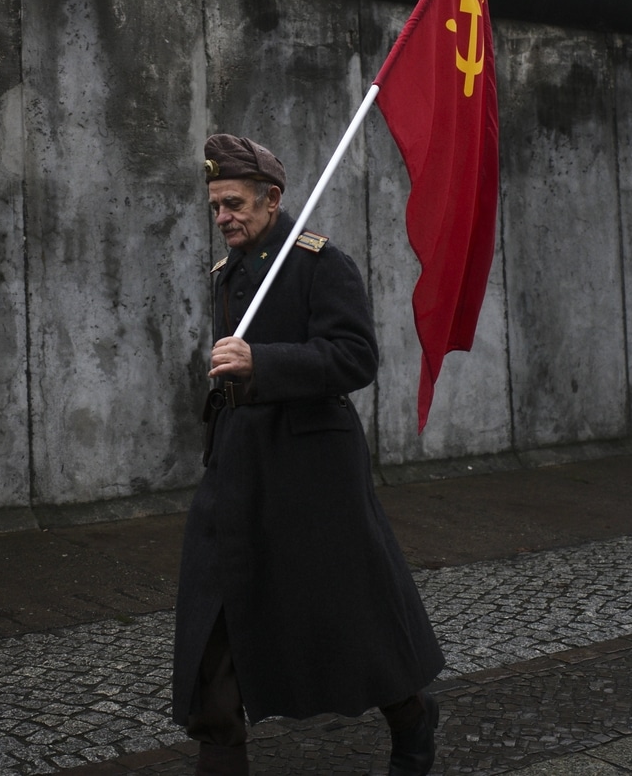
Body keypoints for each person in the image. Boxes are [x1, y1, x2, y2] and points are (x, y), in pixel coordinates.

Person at [173, 134, 446, 776]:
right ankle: (219, 749)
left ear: (272, 200)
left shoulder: (321, 265)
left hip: (312, 479)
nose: (223, 219)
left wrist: (261, 361)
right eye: (215, 207)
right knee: (214, 620)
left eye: (234, 204)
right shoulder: (228, 274)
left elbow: (355, 358)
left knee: (349, 616)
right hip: (235, 475)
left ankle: (410, 715)